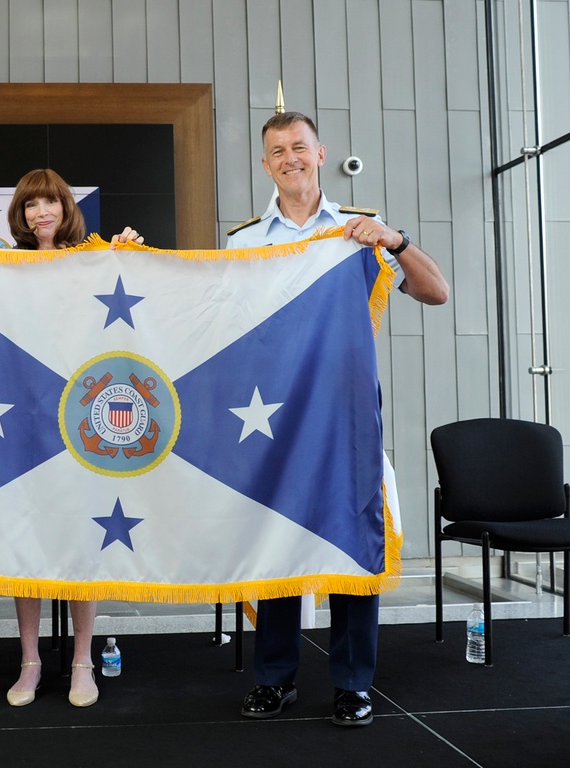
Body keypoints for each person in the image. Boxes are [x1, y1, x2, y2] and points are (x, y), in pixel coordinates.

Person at [226, 111, 449, 727]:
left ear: (321, 153)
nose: (290, 157)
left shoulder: (362, 230)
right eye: (277, 151)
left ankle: (354, 683)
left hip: (347, 415)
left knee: (352, 538)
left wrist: (395, 240)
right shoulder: (243, 244)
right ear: (266, 164)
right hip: (269, 418)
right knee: (276, 543)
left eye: (299, 146)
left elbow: (436, 293)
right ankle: (274, 679)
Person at [0, 169, 142, 708]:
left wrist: (130, 252)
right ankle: (30, 661)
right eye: (31, 204)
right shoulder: (3, 263)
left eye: (50, 201)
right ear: (21, 214)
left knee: (84, 538)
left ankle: (83, 660)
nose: (41, 212)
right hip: (20, 420)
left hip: (80, 420)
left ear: (65, 208)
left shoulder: (94, 259)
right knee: (26, 538)